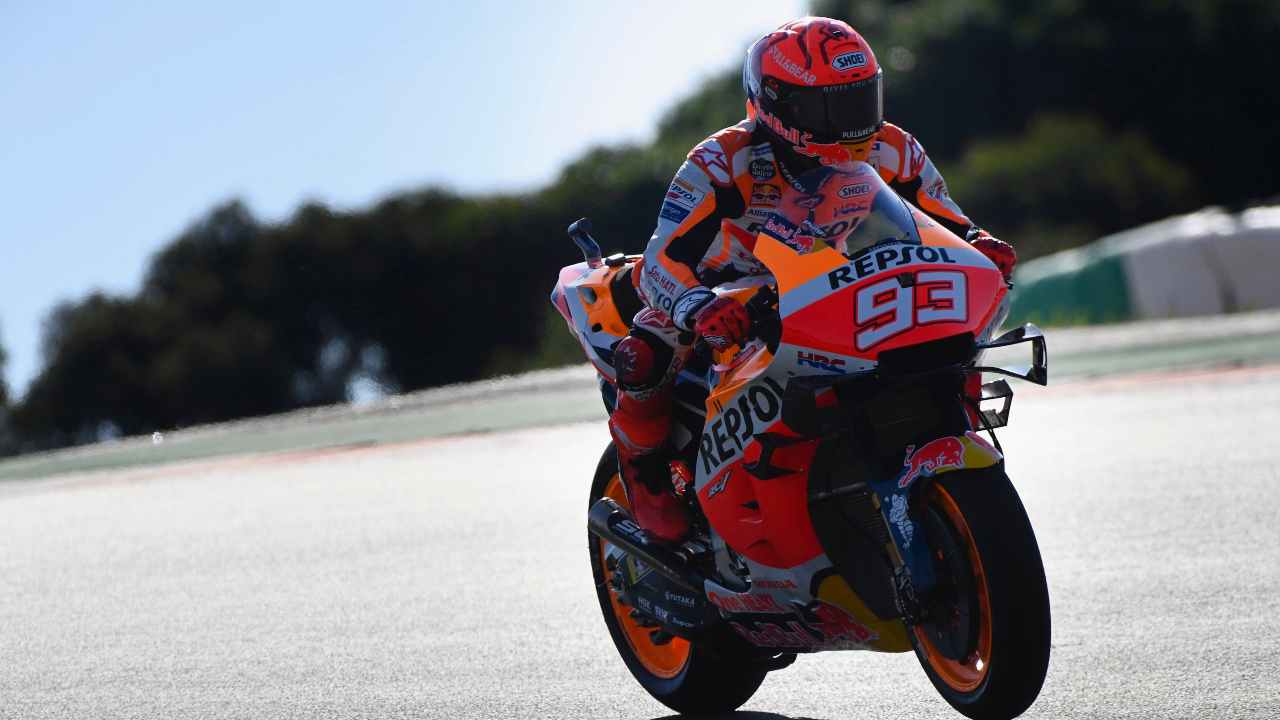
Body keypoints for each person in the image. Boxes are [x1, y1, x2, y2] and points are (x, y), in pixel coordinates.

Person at [609, 17, 1016, 544]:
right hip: (718, 287)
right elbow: (662, 258)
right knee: (645, 354)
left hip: (827, 273)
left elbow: (949, 222)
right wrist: (695, 305)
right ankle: (642, 474)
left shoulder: (892, 147)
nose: (851, 125)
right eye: (828, 109)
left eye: (859, 101)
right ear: (775, 104)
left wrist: (982, 244)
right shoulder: (720, 161)